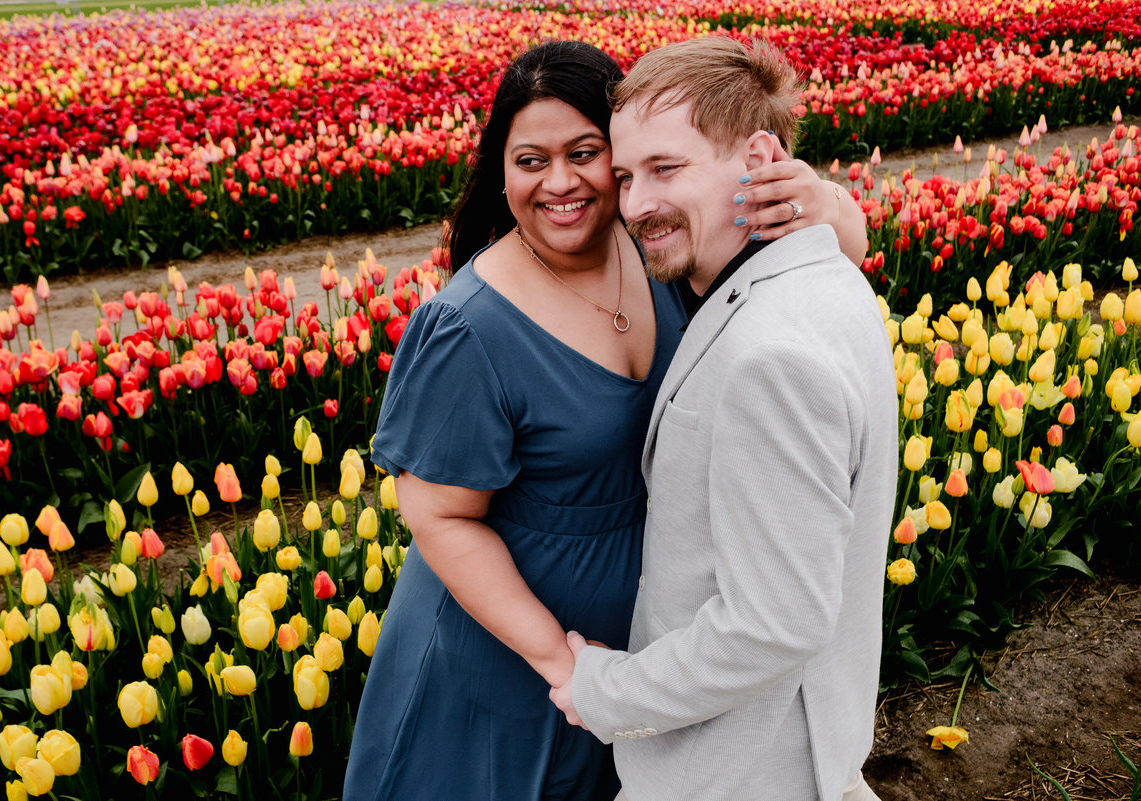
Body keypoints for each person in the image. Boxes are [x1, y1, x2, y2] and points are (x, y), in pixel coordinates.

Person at [343, 40, 869, 801]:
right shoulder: (468, 327)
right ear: (502, 169)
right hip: (504, 660)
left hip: (633, 659)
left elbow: (834, 253)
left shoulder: (656, 246)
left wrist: (821, 203)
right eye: (530, 160)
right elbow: (437, 516)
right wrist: (565, 664)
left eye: (585, 153)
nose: (559, 182)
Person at [549, 36, 898, 801]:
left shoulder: (769, 355)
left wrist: (608, 692)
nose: (636, 203)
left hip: (740, 769)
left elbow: (775, 621)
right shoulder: (828, 272)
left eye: (667, 168)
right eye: (627, 175)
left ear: (762, 156)